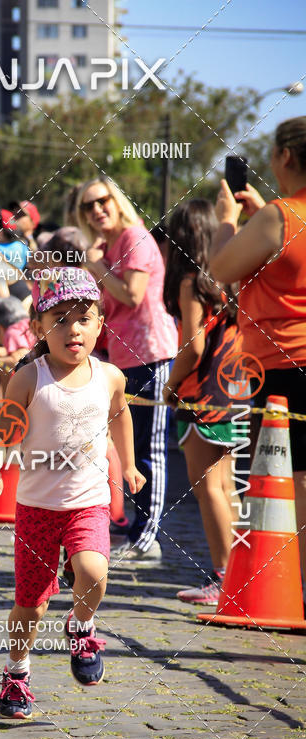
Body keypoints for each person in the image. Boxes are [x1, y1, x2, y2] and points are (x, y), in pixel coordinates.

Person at [0, 268, 145, 719]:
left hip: (87, 501)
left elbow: (121, 418)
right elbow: (3, 428)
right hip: (35, 508)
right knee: (30, 604)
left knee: (93, 570)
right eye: (60, 318)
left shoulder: (110, 376)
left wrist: (127, 464)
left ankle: (82, 626)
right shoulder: (29, 377)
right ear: (37, 326)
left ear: (99, 325)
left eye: (84, 318)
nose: (73, 328)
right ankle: (17, 673)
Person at [210, 116, 306, 578]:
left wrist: (229, 222)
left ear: (285, 156)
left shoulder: (280, 215)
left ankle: (287, 586)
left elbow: (222, 268)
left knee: (290, 478)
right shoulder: (276, 216)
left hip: (282, 362)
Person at [76, 177, 178, 562]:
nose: (96, 209)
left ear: (117, 200)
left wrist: (98, 266)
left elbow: (132, 294)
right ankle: (136, 525)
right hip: (123, 358)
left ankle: (148, 535)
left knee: (151, 449)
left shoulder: (134, 236)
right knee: (128, 447)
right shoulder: (109, 248)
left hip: (152, 353)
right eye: (88, 206)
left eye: (102, 200)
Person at [162, 200, 243, 605]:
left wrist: (172, 385)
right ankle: (239, 573)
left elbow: (191, 348)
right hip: (233, 390)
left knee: (207, 487)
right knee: (226, 486)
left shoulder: (190, 282)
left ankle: (225, 578)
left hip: (201, 394)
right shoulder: (226, 279)